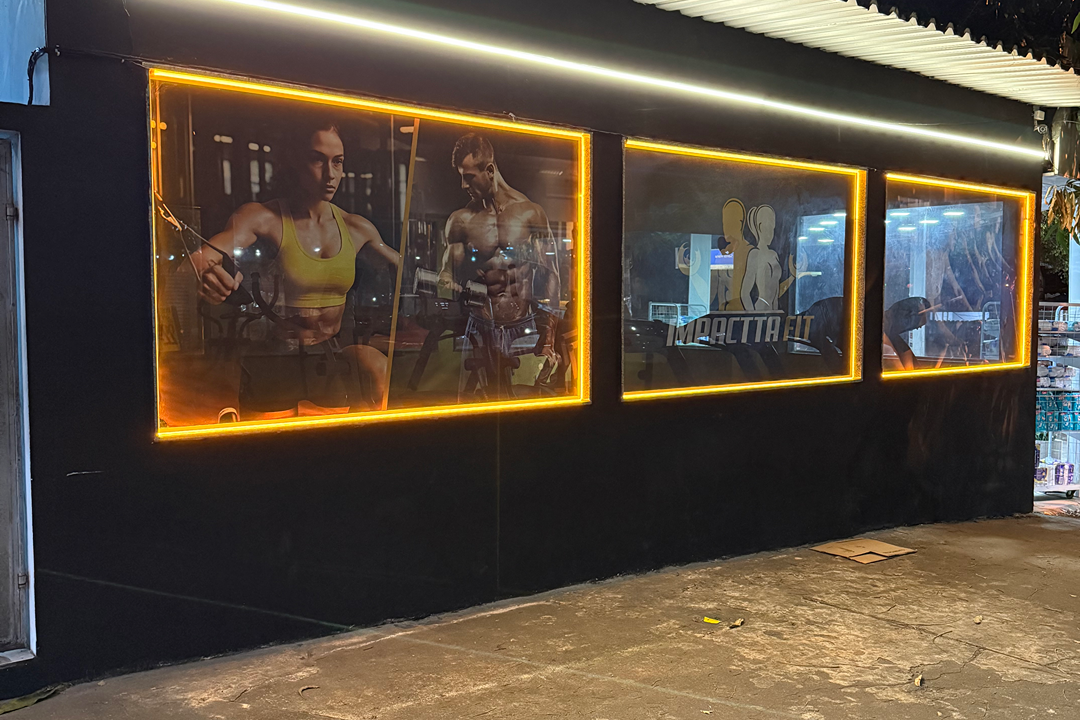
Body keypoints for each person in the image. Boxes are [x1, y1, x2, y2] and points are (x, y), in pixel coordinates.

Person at [190, 118, 400, 416]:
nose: (330, 174)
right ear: (294, 161)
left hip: (327, 354)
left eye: (338, 162)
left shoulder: (356, 228)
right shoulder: (263, 218)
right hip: (278, 355)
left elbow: (408, 271)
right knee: (273, 439)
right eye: (317, 160)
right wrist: (207, 272)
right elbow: (200, 258)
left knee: (377, 377)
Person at [437, 133, 562, 398]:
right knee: (478, 407)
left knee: (526, 407)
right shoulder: (460, 221)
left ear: (490, 170)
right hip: (481, 328)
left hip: (524, 327)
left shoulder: (531, 213)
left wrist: (549, 335)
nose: (463, 185)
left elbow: (551, 273)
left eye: (469, 176)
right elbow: (446, 274)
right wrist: (448, 284)